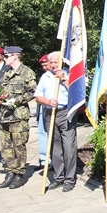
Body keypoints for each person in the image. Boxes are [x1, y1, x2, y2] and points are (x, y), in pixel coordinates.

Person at [34, 51, 77, 192]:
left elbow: (76, 93)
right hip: (49, 112)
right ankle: (59, 177)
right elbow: (38, 96)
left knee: (68, 146)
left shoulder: (69, 74)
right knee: (54, 146)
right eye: (51, 62)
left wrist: (63, 78)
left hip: (65, 112)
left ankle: (70, 179)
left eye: (55, 62)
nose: (52, 65)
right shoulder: (45, 77)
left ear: (62, 62)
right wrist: (47, 101)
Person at [0, 46, 37, 189]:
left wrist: (16, 100)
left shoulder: (26, 72)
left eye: (6, 57)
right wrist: (1, 99)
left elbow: (33, 92)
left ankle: (19, 174)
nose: (4, 59)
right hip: (5, 115)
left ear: (15, 56)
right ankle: (10, 172)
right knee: (6, 147)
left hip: (18, 116)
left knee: (19, 146)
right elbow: (3, 91)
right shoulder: (7, 73)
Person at [34, 54, 50, 171]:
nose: (45, 67)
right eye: (43, 66)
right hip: (42, 107)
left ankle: (52, 161)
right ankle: (43, 160)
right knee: (42, 132)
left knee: (51, 135)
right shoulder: (44, 77)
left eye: (46, 65)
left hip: (51, 108)